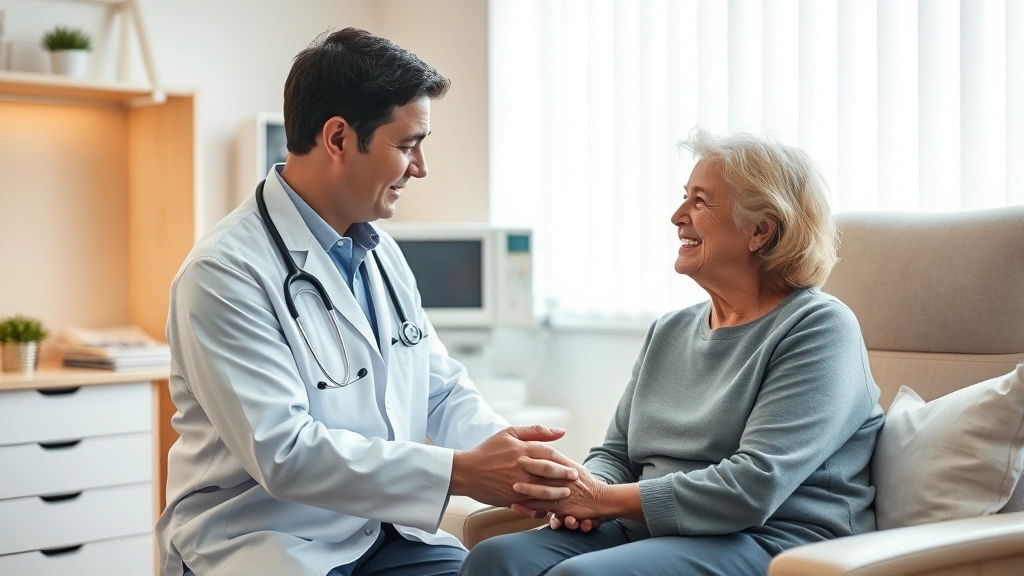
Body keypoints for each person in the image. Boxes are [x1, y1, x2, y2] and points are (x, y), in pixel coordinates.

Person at [156, 28, 578, 576]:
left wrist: (514, 461)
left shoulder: (380, 253)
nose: (420, 167)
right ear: (337, 139)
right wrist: (461, 473)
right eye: (406, 146)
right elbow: (286, 454)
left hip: (381, 534)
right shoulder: (223, 273)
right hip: (266, 540)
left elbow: (441, 387)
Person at [462, 129, 885, 576]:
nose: (677, 216)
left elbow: (752, 487)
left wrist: (602, 500)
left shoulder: (818, 327)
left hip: (773, 538)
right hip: (648, 529)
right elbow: (616, 454)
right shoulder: (671, 329)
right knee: (496, 558)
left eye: (700, 201)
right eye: (685, 197)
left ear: (760, 230)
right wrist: (581, 490)